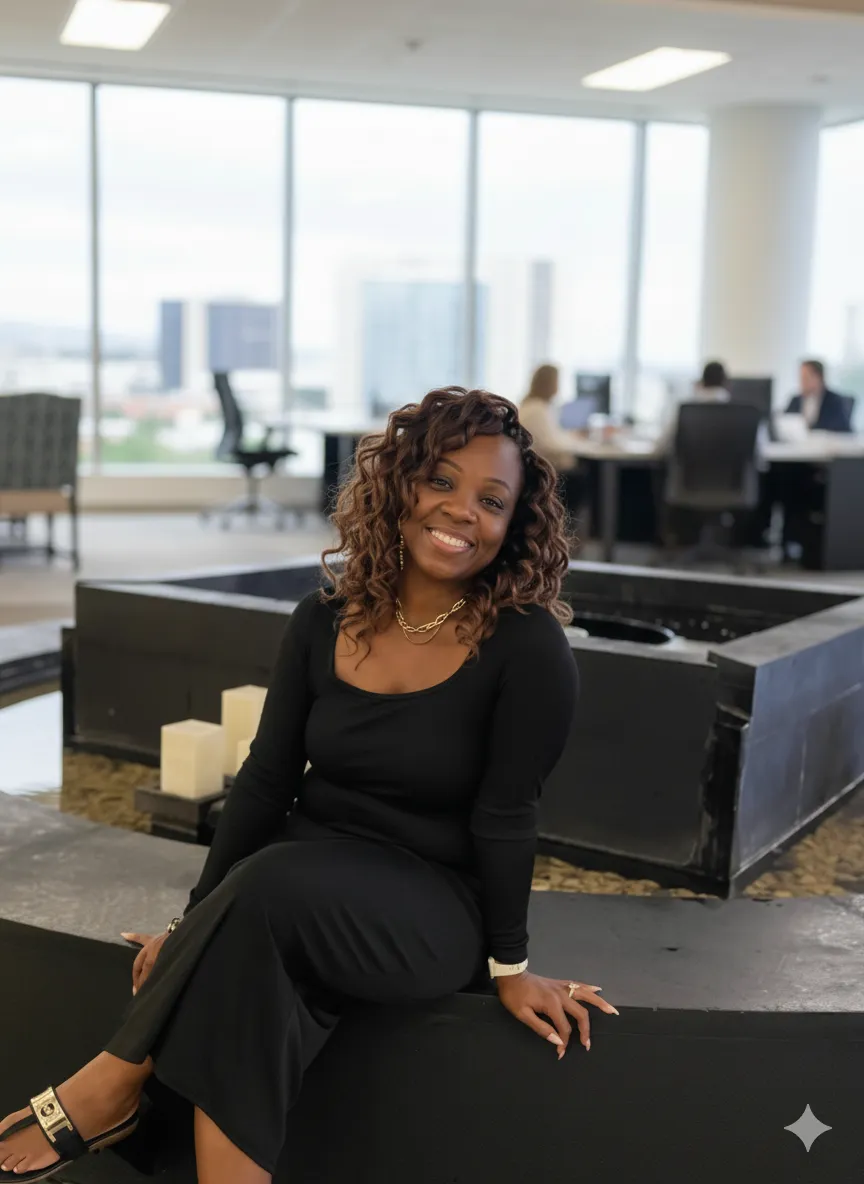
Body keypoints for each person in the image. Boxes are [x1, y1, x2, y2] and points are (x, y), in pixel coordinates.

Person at [0, 387, 616, 1184]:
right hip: (292, 886)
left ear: (513, 525)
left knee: (270, 887)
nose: (463, 510)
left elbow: (508, 815)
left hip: (428, 908)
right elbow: (265, 782)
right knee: (252, 978)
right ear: (399, 487)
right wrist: (194, 925)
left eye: (491, 501)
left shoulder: (528, 648)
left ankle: (112, 1083)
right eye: (441, 481)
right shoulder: (322, 620)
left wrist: (510, 965)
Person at [518, 364, 586, 522]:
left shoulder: (536, 406)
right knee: (583, 476)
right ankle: (569, 525)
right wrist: (578, 445)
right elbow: (551, 444)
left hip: (540, 465)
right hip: (543, 469)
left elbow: (554, 436)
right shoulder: (537, 409)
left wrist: (573, 439)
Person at [653, 360, 732, 456]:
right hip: (730, 466)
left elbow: (661, 446)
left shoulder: (685, 411)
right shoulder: (740, 414)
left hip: (688, 466)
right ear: (726, 384)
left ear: (702, 383)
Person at [786, 360, 853, 433]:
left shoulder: (834, 401)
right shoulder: (795, 400)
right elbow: (785, 423)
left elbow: (843, 428)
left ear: (819, 378)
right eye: (801, 378)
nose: (802, 382)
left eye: (806, 378)